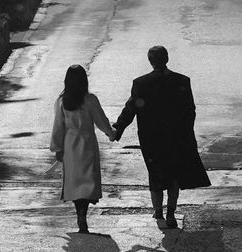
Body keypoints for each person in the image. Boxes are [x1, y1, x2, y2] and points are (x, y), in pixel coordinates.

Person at [111, 45, 210, 229]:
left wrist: (118, 128)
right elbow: (190, 111)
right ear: (167, 59)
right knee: (174, 176)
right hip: (176, 137)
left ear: (150, 61)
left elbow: (131, 108)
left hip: (152, 139)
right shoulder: (182, 81)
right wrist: (186, 133)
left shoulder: (141, 83)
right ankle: (171, 212)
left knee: (155, 175)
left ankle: (158, 212)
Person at [50, 64, 117, 234]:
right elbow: (100, 120)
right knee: (87, 181)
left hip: (70, 144)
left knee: (74, 181)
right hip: (87, 143)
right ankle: (83, 214)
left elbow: (58, 126)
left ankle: (79, 213)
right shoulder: (90, 99)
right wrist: (111, 133)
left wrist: (58, 147)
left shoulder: (61, 101)